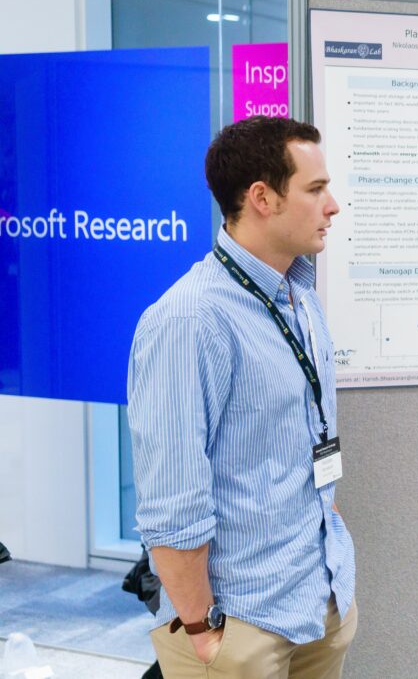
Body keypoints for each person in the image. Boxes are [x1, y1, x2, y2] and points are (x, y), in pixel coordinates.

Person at [128, 116, 357, 679]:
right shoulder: (189, 321)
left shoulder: (301, 297)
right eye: (315, 189)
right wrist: (203, 632)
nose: (333, 206)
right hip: (241, 623)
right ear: (262, 198)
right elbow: (172, 503)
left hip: (321, 596)